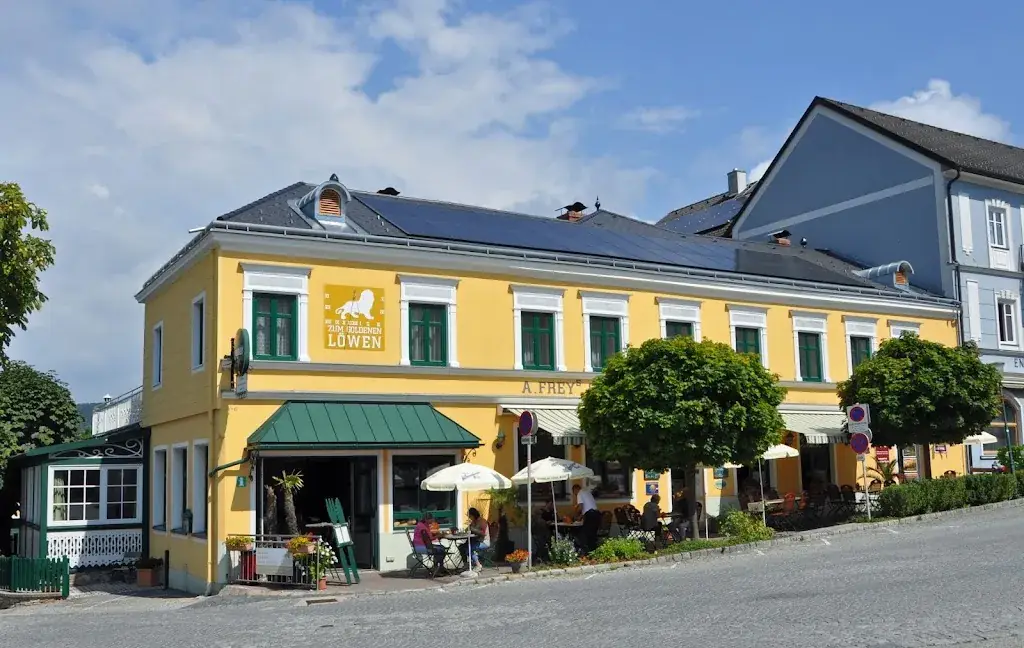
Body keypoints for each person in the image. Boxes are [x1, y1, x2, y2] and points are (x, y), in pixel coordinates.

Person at [573, 483, 601, 553]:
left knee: (584, 534)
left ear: (575, 490)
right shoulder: (587, 492)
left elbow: (581, 507)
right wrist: (580, 516)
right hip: (596, 514)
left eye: (574, 493)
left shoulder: (579, 493)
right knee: (592, 535)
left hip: (591, 515)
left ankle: (585, 552)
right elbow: (587, 508)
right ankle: (594, 551)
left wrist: (576, 515)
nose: (575, 495)